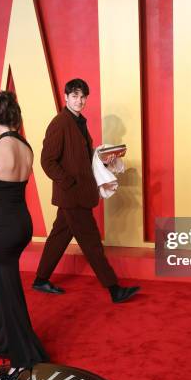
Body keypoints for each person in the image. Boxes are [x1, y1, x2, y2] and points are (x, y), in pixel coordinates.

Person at [33, 78, 140, 303]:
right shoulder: (60, 123)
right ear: (65, 97)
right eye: (75, 96)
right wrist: (69, 183)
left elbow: (81, 158)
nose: (79, 101)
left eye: (82, 97)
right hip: (73, 195)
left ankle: (40, 279)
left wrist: (103, 159)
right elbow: (47, 160)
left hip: (78, 193)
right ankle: (114, 289)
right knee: (91, 242)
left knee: (59, 236)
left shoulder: (79, 122)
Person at [0, 91, 48, 380]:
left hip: (0, 227)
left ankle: (20, 355)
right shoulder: (27, 149)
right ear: (17, 120)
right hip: (22, 225)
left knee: (6, 287)